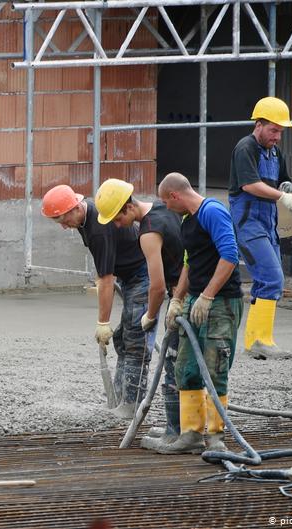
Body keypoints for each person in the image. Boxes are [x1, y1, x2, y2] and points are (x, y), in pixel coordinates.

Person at [41, 183, 153, 419]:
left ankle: (132, 405)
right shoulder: (85, 219)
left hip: (142, 275)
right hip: (129, 275)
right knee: (122, 340)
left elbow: (106, 279)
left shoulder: (97, 229)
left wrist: (103, 322)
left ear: (75, 208)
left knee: (135, 339)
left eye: (63, 219)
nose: (63, 226)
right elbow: (104, 271)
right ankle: (120, 397)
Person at [155, 173, 243, 454]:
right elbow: (188, 263)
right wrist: (178, 300)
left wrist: (208, 295)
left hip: (221, 303)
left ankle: (216, 438)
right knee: (186, 367)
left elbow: (230, 254)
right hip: (195, 301)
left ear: (175, 196)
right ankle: (191, 434)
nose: (166, 208)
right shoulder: (187, 220)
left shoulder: (212, 212)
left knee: (215, 368)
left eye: (165, 202)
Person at [96, 179, 184, 450]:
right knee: (177, 362)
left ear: (128, 207)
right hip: (185, 290)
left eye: (117, 218)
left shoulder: (147, 231)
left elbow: (155, 286)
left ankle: (181, 433)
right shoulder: (164, 209)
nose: (116, 225)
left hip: (184, 292)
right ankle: (179, 429)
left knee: (174, 364)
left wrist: (151, 314)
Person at [228, 96, 292, 359]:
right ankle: (261, 340)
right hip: (248, 223)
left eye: (280, 131)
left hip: (268, 223)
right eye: (273, 130)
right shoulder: (245, 148)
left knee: (265, 280)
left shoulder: (274, 152)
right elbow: (250, 186)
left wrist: (287, 189)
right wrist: (281, 197)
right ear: (258, 124)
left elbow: (283, 180)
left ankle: (256, 340)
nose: (277, 136)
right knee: (273, 277)